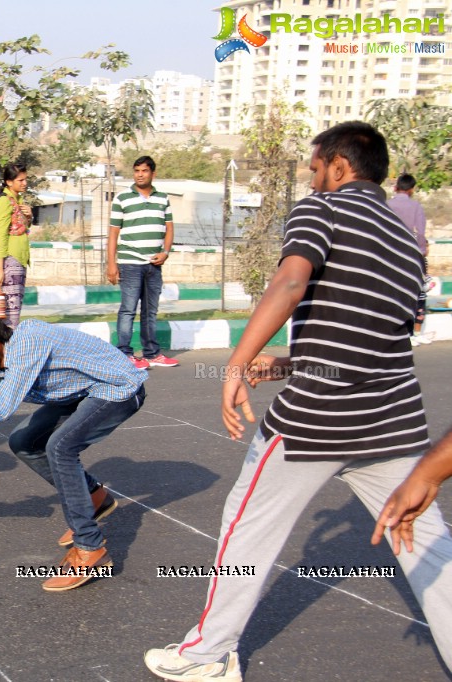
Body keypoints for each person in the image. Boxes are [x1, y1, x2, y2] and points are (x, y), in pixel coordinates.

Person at [144, 122, 452, 681]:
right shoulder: (406, 241)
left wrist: (236, 365)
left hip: (315, 421)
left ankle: (206, 656)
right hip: (393, 424)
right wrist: (289, 362)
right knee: (428, 549)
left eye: (315, 170)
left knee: (248, 529)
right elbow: (372, 334)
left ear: (338, 166)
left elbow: (290, 284)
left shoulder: (323, 210)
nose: (312, 180)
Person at [0, 309, 146, 592]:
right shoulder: (0, 364)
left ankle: (90, 549)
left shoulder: (29, 342)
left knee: (60, 447)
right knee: (23, 441)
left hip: (117, 389)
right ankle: (94, 497)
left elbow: (0, 408)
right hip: (82, 392)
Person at [107, 156, 178, 370]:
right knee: (128, 309)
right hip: (130, 262)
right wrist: (111, 264)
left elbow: (169, 228)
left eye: (144, 170)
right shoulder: (122, 199)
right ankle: (124, 353)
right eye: (136, 170)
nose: (140, 174)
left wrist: (165, 252)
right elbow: (112, 234)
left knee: (150, 310)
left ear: (152, 174)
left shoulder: (163, 199)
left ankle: (152, 353)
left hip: (154, 265)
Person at [373, 425, 452, 556]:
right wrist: (425, 477)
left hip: (391, 435)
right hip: (393, 432)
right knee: (429, 548)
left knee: (427, 546)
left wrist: (425, 477)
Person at [388, 173, 432, 346]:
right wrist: (422, 251)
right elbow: (420, 233)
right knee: (416, 295)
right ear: (412, 189)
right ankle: (411, 332)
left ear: (396, 187)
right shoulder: (416, 207)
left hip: (389, 257)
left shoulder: (386, 205)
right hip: (410, 257)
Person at [0, 163, 32, 329]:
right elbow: (0, 236)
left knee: (12, 315)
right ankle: (2, 352)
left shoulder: (17, 201)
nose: (24, 183)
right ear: (9, 182)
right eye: (20, 180)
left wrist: (29, 216)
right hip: (8, 261)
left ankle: (3, 352)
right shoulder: (3, 202)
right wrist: (0, 269)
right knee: (8, 318)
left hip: (18, 260)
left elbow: (20, 229)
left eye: (25, 179)